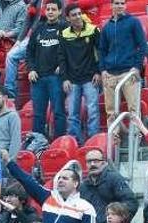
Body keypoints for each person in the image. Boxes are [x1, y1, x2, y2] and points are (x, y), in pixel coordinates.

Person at [6, 160, 96, 223]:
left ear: (75, 183)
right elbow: (26, 180)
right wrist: (9, 162)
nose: (60, 180)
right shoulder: (47, 197)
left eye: (65, 178)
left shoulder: (86, 208)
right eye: (59, 178)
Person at [98, 0, 145, 132]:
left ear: (125, 5)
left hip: (128, 72)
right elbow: (102, 50)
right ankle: (114, 140)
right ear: (111, 5)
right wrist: (103, 70)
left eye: (122, 3)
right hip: (110, 74)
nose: (119, 6)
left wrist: (136, 67)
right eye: (117, 3)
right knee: (111, 112)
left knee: (133, 109)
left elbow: (142, 46)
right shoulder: (106, 27)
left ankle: (136, 136)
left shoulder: (134, 22)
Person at [59, 4, 99, 143]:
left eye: (79, 13)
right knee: (72, 115)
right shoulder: (63, 34)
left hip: (90, 78)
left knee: (93, 111)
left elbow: (100, 53)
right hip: (72, 79)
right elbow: (61, 58)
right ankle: (76, 142)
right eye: (74, 15)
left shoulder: (93, 30)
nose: (77, 17)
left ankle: (94, 140)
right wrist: (64, 78)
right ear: (68, 18)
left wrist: (98, 72)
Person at [26, 0, 66, 137]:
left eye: (53, 9)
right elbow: (29, 51)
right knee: (38, 113)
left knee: (59, 111)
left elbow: (71, 51)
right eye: (48, 9)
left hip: (56, 78)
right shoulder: (38, 28)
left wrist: (63, 66)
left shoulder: (65, 28)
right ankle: (38, 142)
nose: (50, 12)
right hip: (38, 78)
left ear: (60, 11)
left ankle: (59, 141)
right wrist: (31, 69)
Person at [79, 148, 137, 223]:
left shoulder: (114, 179)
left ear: (104, 163)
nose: (92, 164)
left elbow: (131, 203)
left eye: (96, 161)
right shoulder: (83, 187)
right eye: (89, 161)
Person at [0, 0, 26, 89]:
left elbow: (21, 29)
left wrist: (4, 36)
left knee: (11, 82)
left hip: (11, 49)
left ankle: (11, 103)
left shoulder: (21, 5)